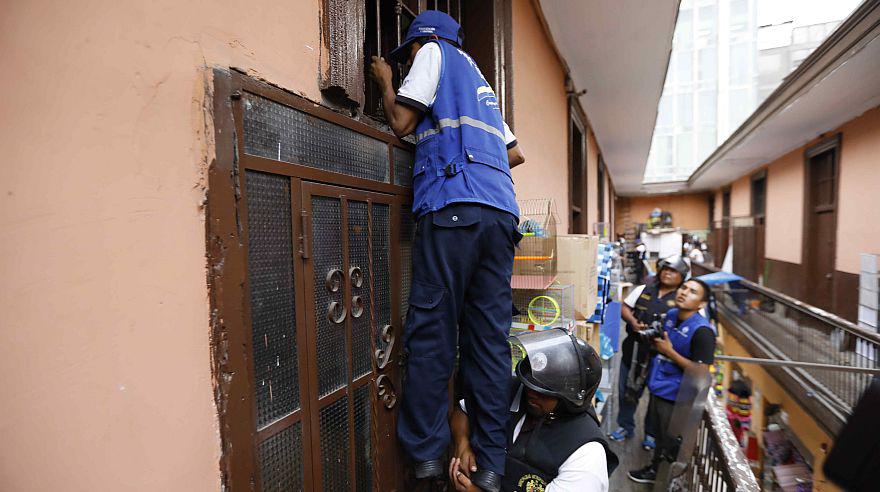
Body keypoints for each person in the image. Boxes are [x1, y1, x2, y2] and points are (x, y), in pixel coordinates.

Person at [369, 10, 525, 491]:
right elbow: (514, 153)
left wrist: (384, 81)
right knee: (488, 342)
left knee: (434, 333)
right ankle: (492, 464)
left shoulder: (433, 53)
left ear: (421, 44)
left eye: (407, 54)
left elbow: (400, 121)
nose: (409, 60)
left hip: (453, 207)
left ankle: (427, 461)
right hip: (501, 214)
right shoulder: (482, 81)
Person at [448, 329, 619, 492]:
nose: (532, 395)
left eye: (544, 393)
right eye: (530, 385)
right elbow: (463, 411)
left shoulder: (586, 454)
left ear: (569, 399)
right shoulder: (515, 391)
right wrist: (462, 443)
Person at [628, 278, 717, 484]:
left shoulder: (703, 332)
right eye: (684, 288)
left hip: (678, 398)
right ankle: (655, 471)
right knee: (658, 435)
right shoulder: (671, 315)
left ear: (701, 304)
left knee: (671, 443)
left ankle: (669, 481)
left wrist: (669, 351)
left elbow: (701, 372)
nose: (684, 292)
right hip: (658, 387)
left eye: (693, 292)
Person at [608, 255, 689, 450]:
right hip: (633, 350)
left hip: (660, 358)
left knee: (655, 398)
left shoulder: (682, 298)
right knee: (626, 391)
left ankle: (651, 435)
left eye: (673, 271)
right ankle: (626, 427)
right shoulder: (644, 289)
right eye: (665, 269)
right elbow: (625, 307)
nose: (667, 273)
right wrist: (634, 323)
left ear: (682, 277)